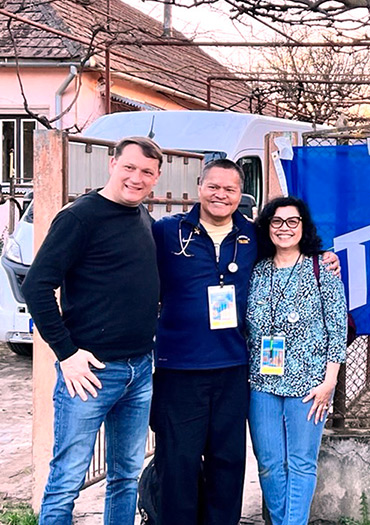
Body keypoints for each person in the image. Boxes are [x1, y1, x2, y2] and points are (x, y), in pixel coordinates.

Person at [22, 137, 163, 524]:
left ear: (156, 178)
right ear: (112, 164)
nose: (136, 178)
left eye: (146, 172)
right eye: (129, 167)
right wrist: (66, 354)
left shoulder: (143, 218)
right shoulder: (79, 217)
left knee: (125, 477)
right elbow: (36, 286)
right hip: (90, 373)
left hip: (139, 370)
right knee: (67, 479)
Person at [150, 158, 258, 525]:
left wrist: (324, 258)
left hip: (233, 367)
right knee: (177, 463)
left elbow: (293, 253)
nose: (221, 195)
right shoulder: (167, 233)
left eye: (230, 189)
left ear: (240, 193)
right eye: (214, 186)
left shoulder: (253, 236)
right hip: (178, 368)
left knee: (227, 464)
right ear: (199, 187)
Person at [247, 196, 347, 525]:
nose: (285, 228)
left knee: (301, 463)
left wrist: (329, 383)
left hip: (310, 385)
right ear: (267, 227)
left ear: (303, 227)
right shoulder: (257, 270)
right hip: (263, 382)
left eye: (293, 221)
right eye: (277, 221)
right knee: (269, 463)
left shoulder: (322, 268)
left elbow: (337, 328)